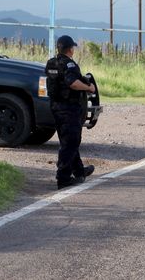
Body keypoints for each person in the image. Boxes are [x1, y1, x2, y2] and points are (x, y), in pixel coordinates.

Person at [45, 35, 96, 189]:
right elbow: (72, 83)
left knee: (68, 140)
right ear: (70, 49)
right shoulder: (69, 65)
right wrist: (89, 88)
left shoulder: (51, 63)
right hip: (69, 109)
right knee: (70, 142)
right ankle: (63, 178)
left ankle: (79, 170)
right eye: (73, 47)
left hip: (56, 107)